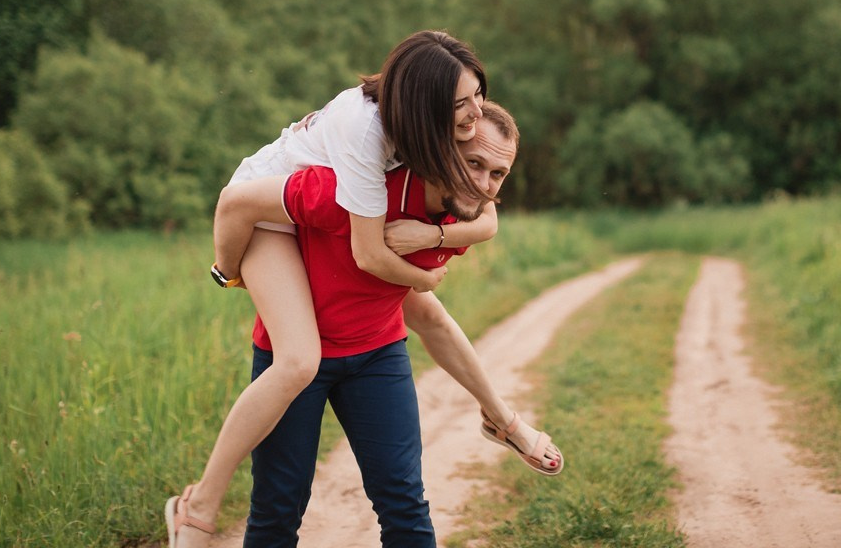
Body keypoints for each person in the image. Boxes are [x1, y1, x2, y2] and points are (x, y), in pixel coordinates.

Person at [164, 34, 557, 546]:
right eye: (462, 107)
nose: (484, 186)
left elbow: (481, 226)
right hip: (263, 214)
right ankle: (200, 505)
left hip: (375, 353)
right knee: (293, 399)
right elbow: (365, 253)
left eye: (477, 97)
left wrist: (435, 234)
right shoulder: (351, 177)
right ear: (436, 134)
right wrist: (227, 271)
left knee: (404, 501)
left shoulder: (452, 206)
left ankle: (501, 420)